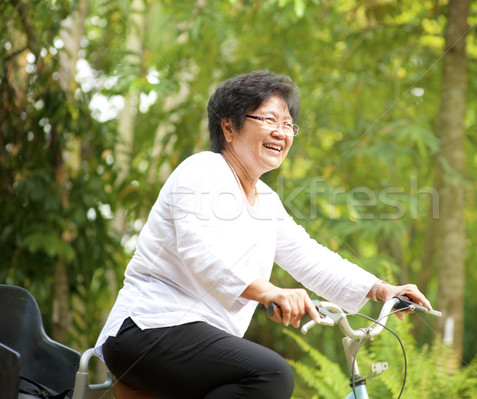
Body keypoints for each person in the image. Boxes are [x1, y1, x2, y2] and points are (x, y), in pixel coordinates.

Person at [94, 70, 432, 399]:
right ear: (228, 126)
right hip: (147, 328)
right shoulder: (202, 171)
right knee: (271, 374)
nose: (281, 133)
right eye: (268, 120)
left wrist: (380, 289)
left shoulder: (267, 202)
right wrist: (269, 292)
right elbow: (203, 254)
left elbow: (308, 257)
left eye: (288, 125)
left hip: (199, 342)